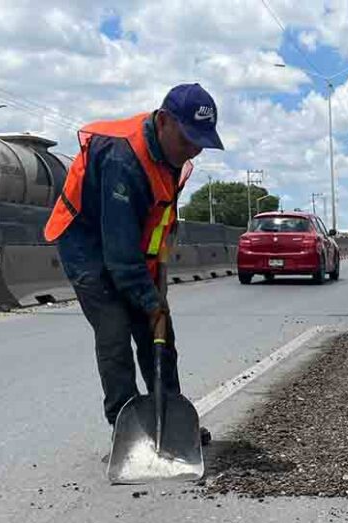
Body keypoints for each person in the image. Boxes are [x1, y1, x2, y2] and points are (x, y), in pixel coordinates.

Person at [44, 83, 224, 427]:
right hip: (87, 246)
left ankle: (169, 420)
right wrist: (150, 300)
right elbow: (120, 257)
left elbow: (160, 225)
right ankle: (127, 427)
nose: (192, 150)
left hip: (130, 245)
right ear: (164, 121)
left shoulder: (173, 155)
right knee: (115, 330)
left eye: (200, 144)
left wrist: (158, 295)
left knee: (159, 333)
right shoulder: (122, 158)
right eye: (187, 139)